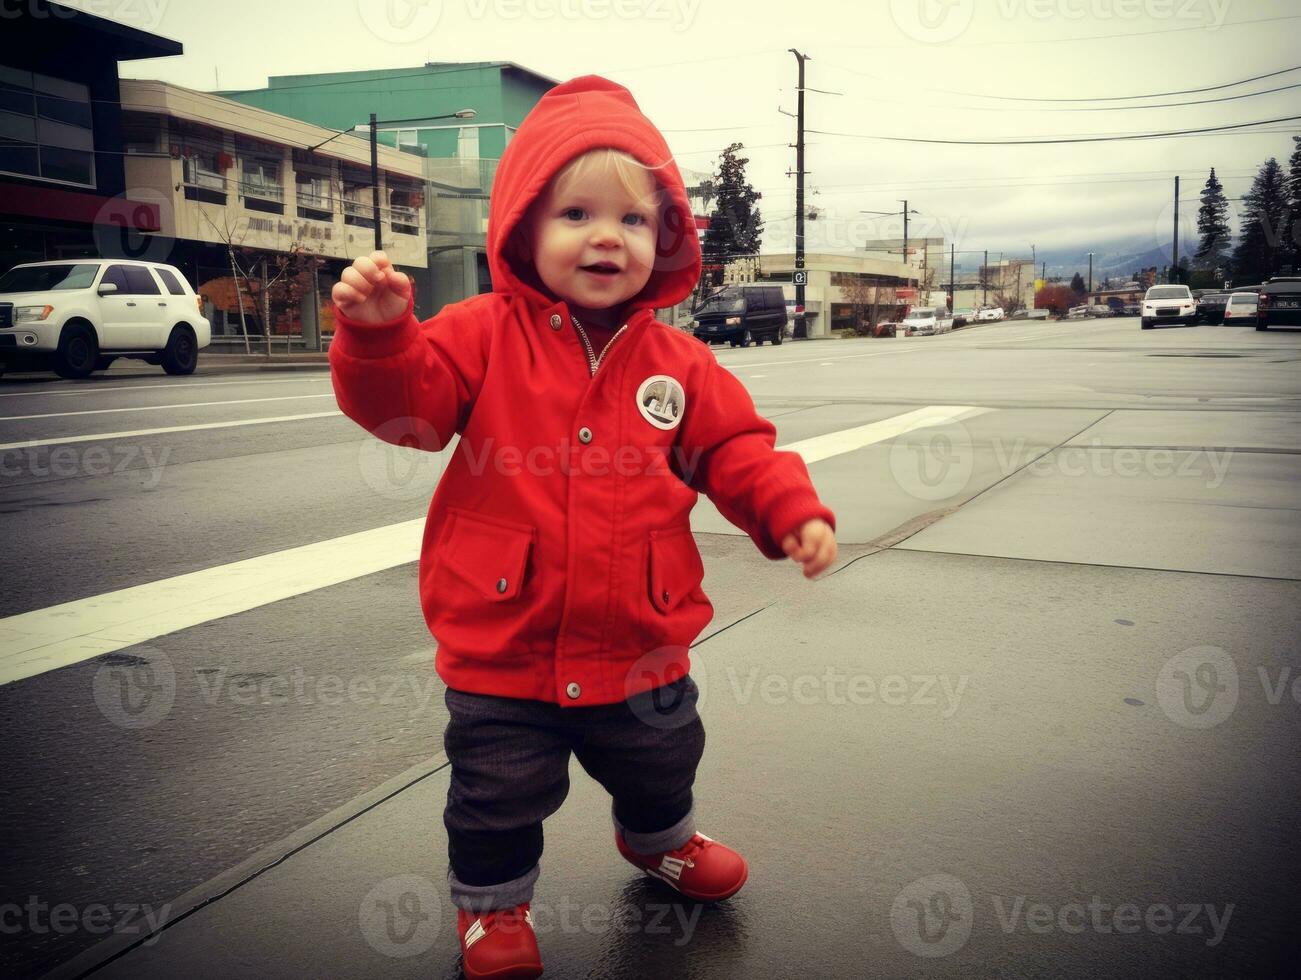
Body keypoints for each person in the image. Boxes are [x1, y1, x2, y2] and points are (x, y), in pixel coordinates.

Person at [330, 75, 837, 980]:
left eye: (634, 221)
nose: (606, 235)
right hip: (505, 641)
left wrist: (789, 511)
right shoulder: (478, 332)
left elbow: (737, 451)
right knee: (495, 793)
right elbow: (410, 413)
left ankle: (659, 842)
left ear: (665, 238)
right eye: (575, 212)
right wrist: (378, 341)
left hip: (640, 639)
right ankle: (492, 913)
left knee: (664, 758)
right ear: (524, 227)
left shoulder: (679, 361)